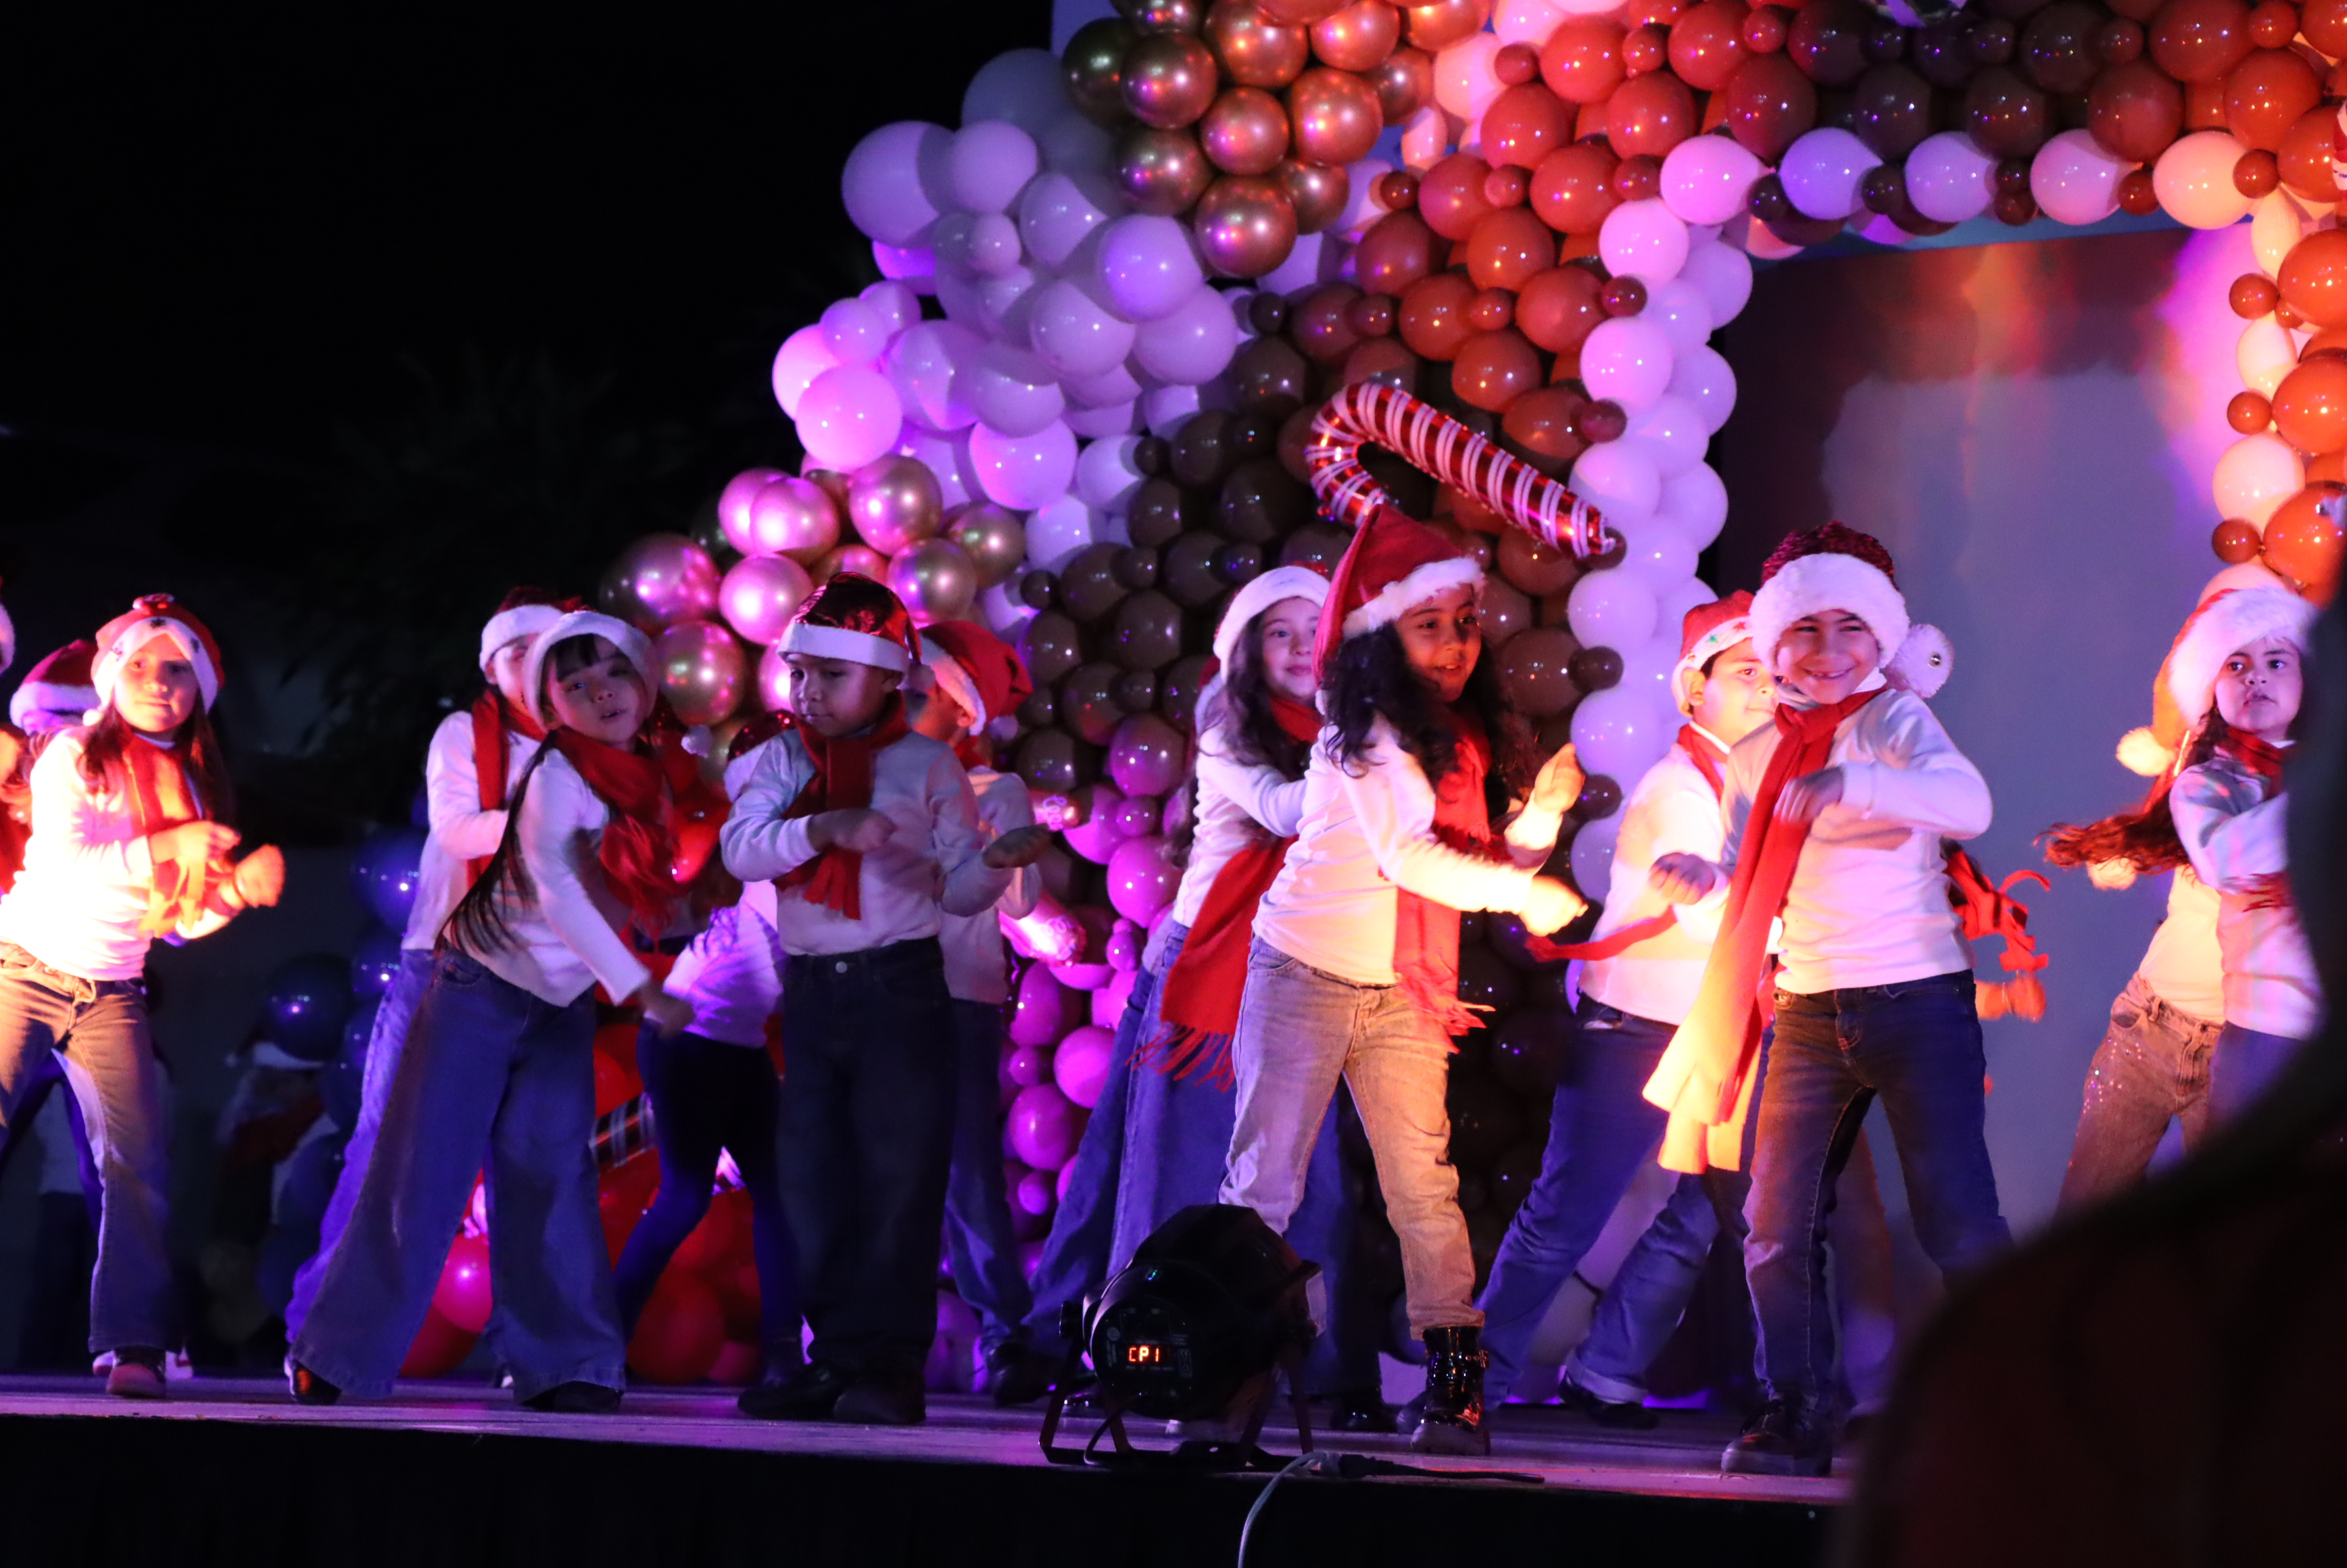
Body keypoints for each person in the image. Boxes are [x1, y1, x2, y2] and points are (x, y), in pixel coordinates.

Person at [1219, 508, 1588, 1456]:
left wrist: (1542, 823)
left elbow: (1476, 857)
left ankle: (1455, 1396)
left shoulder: (1455, 740)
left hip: (1399, 993)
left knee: (1424, 1189)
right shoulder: (1368, 732)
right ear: (1382, 635)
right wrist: (1525, 892)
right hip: (1303, 972)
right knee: (1264, 1185)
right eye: (1431, 625)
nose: (1458, 643)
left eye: (1466, 622)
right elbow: (1412, 859)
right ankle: (1232, 1382)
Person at [1642, 523, 2004, 1478]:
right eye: (1806, 628)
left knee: (1955, 1218)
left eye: (1851, 627)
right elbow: (1745, 872)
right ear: (1775, 644)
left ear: (1879, 639)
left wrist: (1856, 779)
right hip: (1808, 1009)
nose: (1829, 648)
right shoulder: (1758, 750)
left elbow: (1969, 805)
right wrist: (1702, 877)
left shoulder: (1894, 720)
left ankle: (2006, 1410)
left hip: (1915, 999)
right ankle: (1795, 1408)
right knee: (1772, 1228)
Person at [291, 607, 689, 1412]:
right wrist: (638, 984)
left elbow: (635, 889)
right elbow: (561, 895)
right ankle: (339, 1353)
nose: (600, 692)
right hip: (480, 986)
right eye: (574, 683)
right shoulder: (555, 774)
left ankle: (569, 1365)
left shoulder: (650, 778)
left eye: (614, 672)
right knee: (421, 1168)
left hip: (560, 1002)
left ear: (647, 680)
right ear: (550, 705)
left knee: (552, 1171)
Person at [719, 576, 1030, 1427]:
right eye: (800, 674)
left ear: (889, 677)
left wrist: (995, 865)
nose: (809, 692)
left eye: (832, 674)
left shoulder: (926, 765)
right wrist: (820, 828)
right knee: (813, 1179)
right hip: (813, 993)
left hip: (900, 990)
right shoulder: (785, 760)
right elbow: (742, 849)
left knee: (900, 1177)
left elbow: (956, 892)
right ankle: (835, 1357)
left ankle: (892, 1367)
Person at [1472, 594, 1777, 1424]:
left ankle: (1607, 1370)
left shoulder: (1771, 779)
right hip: (1638, 1027)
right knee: (1561, 1218)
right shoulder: (1681, 784)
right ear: (1695, 689)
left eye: (1774, 674)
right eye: (1745, 671)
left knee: (1710, 1210)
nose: (1765, 688)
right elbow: (1708, 907)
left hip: (1726, 1029)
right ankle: (1466, 1387)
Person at [0, 595, 287, 1397]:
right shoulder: (72, 754)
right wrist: (168, 844)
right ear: (110, 678)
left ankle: (134, 1343)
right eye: (141, 666)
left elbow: (177, 922)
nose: (159, 682)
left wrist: (235, 892)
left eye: (178, 671)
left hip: (113, 990)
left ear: (200, 692)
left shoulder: (191, 785)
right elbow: (67, 866)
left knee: (136, 1165)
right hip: (23, 969)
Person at [283, 589, 564, 1343]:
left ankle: (546, 1355)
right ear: (492, 667)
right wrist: (565, 819)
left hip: (544, 977)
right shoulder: (463, 735)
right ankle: (325, 1337)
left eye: (549, 650)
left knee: (538, 1164)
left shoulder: (588, 747)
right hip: (444, 965)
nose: (535, 664)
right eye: (517, 651)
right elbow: (460, 828)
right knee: (390, 1153)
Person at [610, 727, 803, 1408]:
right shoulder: (774, 863)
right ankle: (599, 1346)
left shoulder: (789, 855)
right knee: (686, 1196)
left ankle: (784, 1356)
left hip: (737, 1046)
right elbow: (810, 968)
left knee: (777, 1197)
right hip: (686, 1038)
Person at [2041, 590, 2243, 1208]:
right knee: (2087, 1219)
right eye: (2238, 665)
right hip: (2149, 1027)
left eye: (2276, 663)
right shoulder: (2205, 768)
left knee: (2234, 1238)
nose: (2256, 679)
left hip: (2243, 1048)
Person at [904, 618, 1055, 1398]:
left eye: (921, 688)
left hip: (957, 996)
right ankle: (870, 1341)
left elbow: (1022, 900)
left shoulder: (996, 790)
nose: (902, 696)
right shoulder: (872, 780)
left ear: (963, 711)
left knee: (964, 1168)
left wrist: (997, 840)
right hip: (878, 993)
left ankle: (1007, 1336)